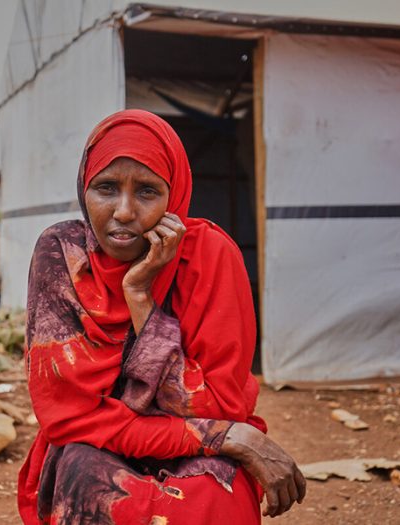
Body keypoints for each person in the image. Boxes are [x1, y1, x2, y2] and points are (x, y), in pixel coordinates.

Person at [18, 109, 305, 524]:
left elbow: (218, 407)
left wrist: (139, 298)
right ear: (85, 190)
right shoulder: (62, 256)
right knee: (88, 477)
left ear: (176, 196)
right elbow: (71, 419)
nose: (123, 211)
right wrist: (225, 437)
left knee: (214, 493)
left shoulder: (211, 256)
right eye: (106, 188)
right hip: (96, 444)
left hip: (196, 445)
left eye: (148, 191)